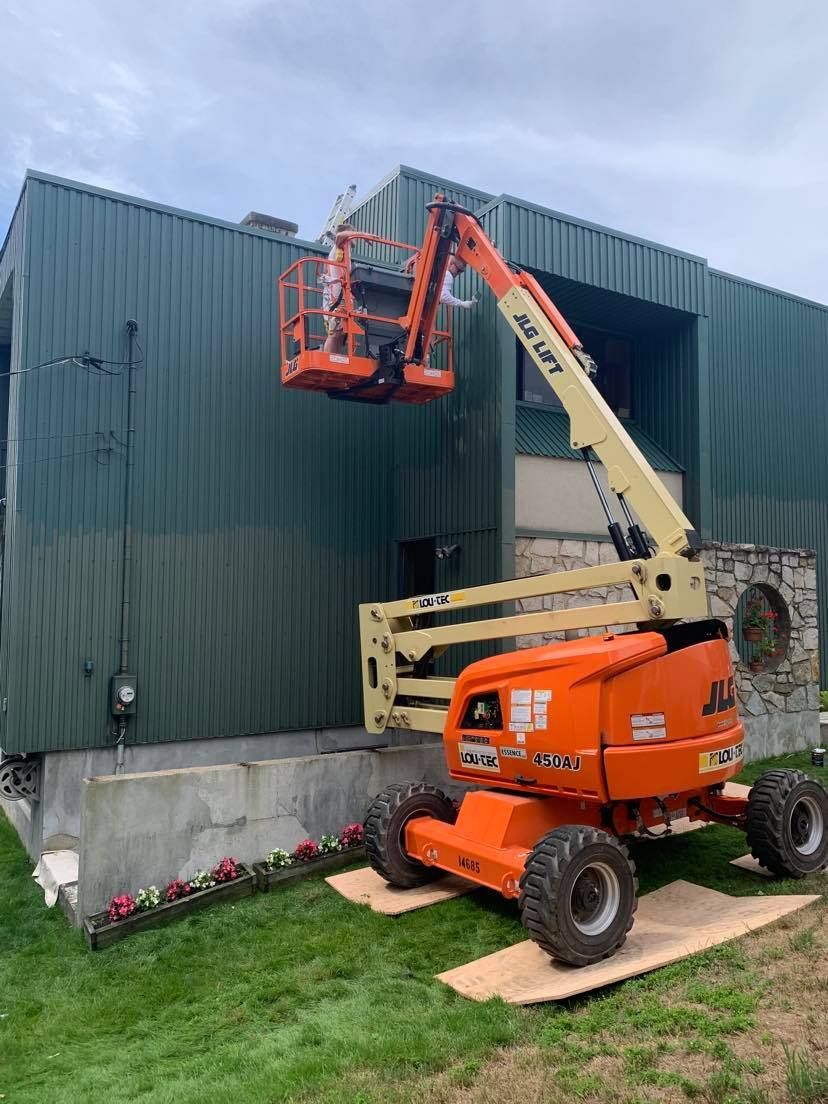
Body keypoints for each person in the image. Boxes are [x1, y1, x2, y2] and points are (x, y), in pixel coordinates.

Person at [322, 222, 356, 354]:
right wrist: (364, 235)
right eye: (352, 232)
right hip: (335, 297)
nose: (354, 236)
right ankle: (328, 359)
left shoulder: (345, 251)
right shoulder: (338, 247)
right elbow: (340, 235)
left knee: (340, 331)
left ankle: (334, 357)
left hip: (342, 295)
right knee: (334, 331)